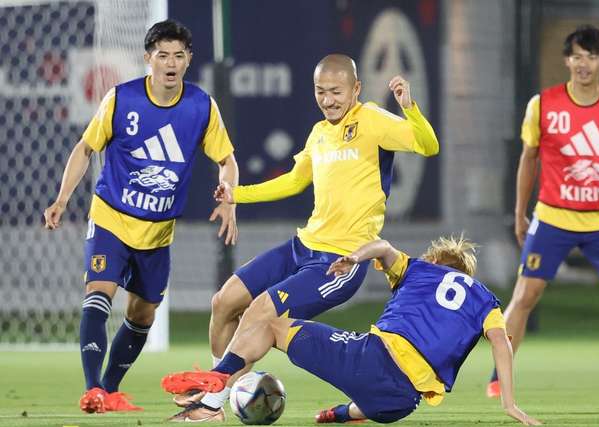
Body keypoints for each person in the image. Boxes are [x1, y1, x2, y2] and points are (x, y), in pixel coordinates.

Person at [166, 54, 440, 422]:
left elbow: (428, 145)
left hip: (340, 262)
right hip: (303, 247)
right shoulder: (319, 132)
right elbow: (295, 181)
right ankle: (221, 392)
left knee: (261, 311)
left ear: (356, 89)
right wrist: (237, 194)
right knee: (224, 300)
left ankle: (212, 399)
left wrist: (411, 109)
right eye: (321, 91)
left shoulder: (373, 119)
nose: (328, 99)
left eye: (336, 92)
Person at [43, 20, 238, 413]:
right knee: (98, 294)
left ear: (188, 61)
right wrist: (62, 199)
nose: (170, 63)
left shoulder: (201, 106)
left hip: (158, 234)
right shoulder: (120, 99)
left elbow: (227, 159)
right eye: (162, 55)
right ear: (148, 59)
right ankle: (92, 387)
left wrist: (229, 196)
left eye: (178, 56)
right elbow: (85, 148)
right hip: (112, 218)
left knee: (142, 313)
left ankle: (109, 391)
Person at [161, 236, 541, 425]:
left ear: (437, 262)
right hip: (401, 404)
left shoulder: (421, 269)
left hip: (370, 360)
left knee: (270, 323)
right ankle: (341, 414)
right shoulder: (486, 300)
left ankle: (220, 377)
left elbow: (382, 246)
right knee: (388, 398)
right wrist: (508, 402)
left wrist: (354, 257)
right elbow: (500, 342)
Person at [486, 24, 599, 398]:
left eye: (591, 56)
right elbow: (528, 159)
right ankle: (497, 376)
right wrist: (520, 212)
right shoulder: (543, 105)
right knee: (525, 295)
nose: (582, 64)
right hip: (552, 216)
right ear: (566, 60)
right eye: (576, 56)